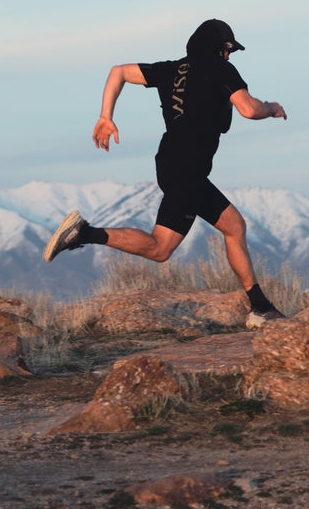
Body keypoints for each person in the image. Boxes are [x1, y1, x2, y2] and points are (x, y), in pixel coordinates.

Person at [43, 18, 288, 327]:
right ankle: (84, 233)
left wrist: (106, 116)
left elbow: (117, 71)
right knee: (160, 249)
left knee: (234, 226)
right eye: (229, 50)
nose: (230, 56)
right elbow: (249, 109)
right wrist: (271, 107)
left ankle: (261, 308)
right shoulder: (221, 68)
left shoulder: (171, 69)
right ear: (222, 48)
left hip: (174, 163)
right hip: (187, 170)